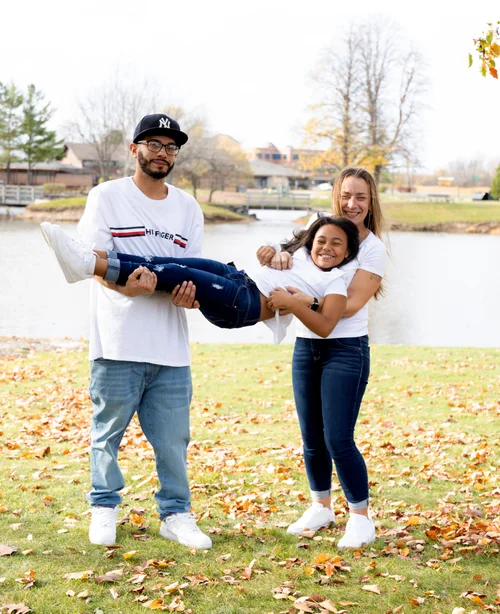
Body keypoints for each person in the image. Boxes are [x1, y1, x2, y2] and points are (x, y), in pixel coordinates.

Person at [70, 113, 214, 549]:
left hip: (171, 348)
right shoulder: (106, 196)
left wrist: (190, 295)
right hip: (117, 341)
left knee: (173, 441)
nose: (162, 153)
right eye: (154, 144)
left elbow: (192, 271)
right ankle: (104, 507)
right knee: (107, 434)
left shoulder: (188, 207)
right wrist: (123, 286)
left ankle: (176, 514)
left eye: (170, 147)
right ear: (134, 149)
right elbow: (89, 261)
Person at [257, 166, 386, 549]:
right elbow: (287, 257)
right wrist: (276, 255)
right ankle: (321, 507)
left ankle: (360, 519)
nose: (352, 204)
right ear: (336, 196)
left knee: (338, 438)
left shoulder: (373, 249)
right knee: (311, 436)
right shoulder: (319, 230)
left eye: (360, 197)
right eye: (346, 195)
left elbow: (350, 305)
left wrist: (301, 300)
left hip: (346, 350)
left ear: (371, 201)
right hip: (306, 345)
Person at [40, 216, 359, 344]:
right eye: (321, 240)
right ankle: (92, 256)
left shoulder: (336, 281)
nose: (326, 247)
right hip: (239, 278)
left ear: (346, 253)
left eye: (336, 244)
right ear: (310, 241)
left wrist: (294, 303)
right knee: (168, 262)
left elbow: (326, 325)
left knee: (179, 275)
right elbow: (274, 250)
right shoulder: (299, 257)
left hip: (244, 303)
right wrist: (273, 251)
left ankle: (88, 266)